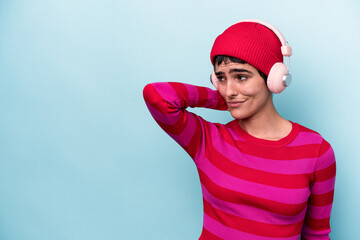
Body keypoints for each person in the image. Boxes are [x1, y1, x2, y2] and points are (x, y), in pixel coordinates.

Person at [143, 19, 336, 240]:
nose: (229, 89)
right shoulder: (207, 140)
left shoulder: (316, 151)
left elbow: (316, 235)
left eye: (241, 77)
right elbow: (157, 96)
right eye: (221, 78)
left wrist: (233, 97)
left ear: (274, 80)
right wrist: (223, 100)